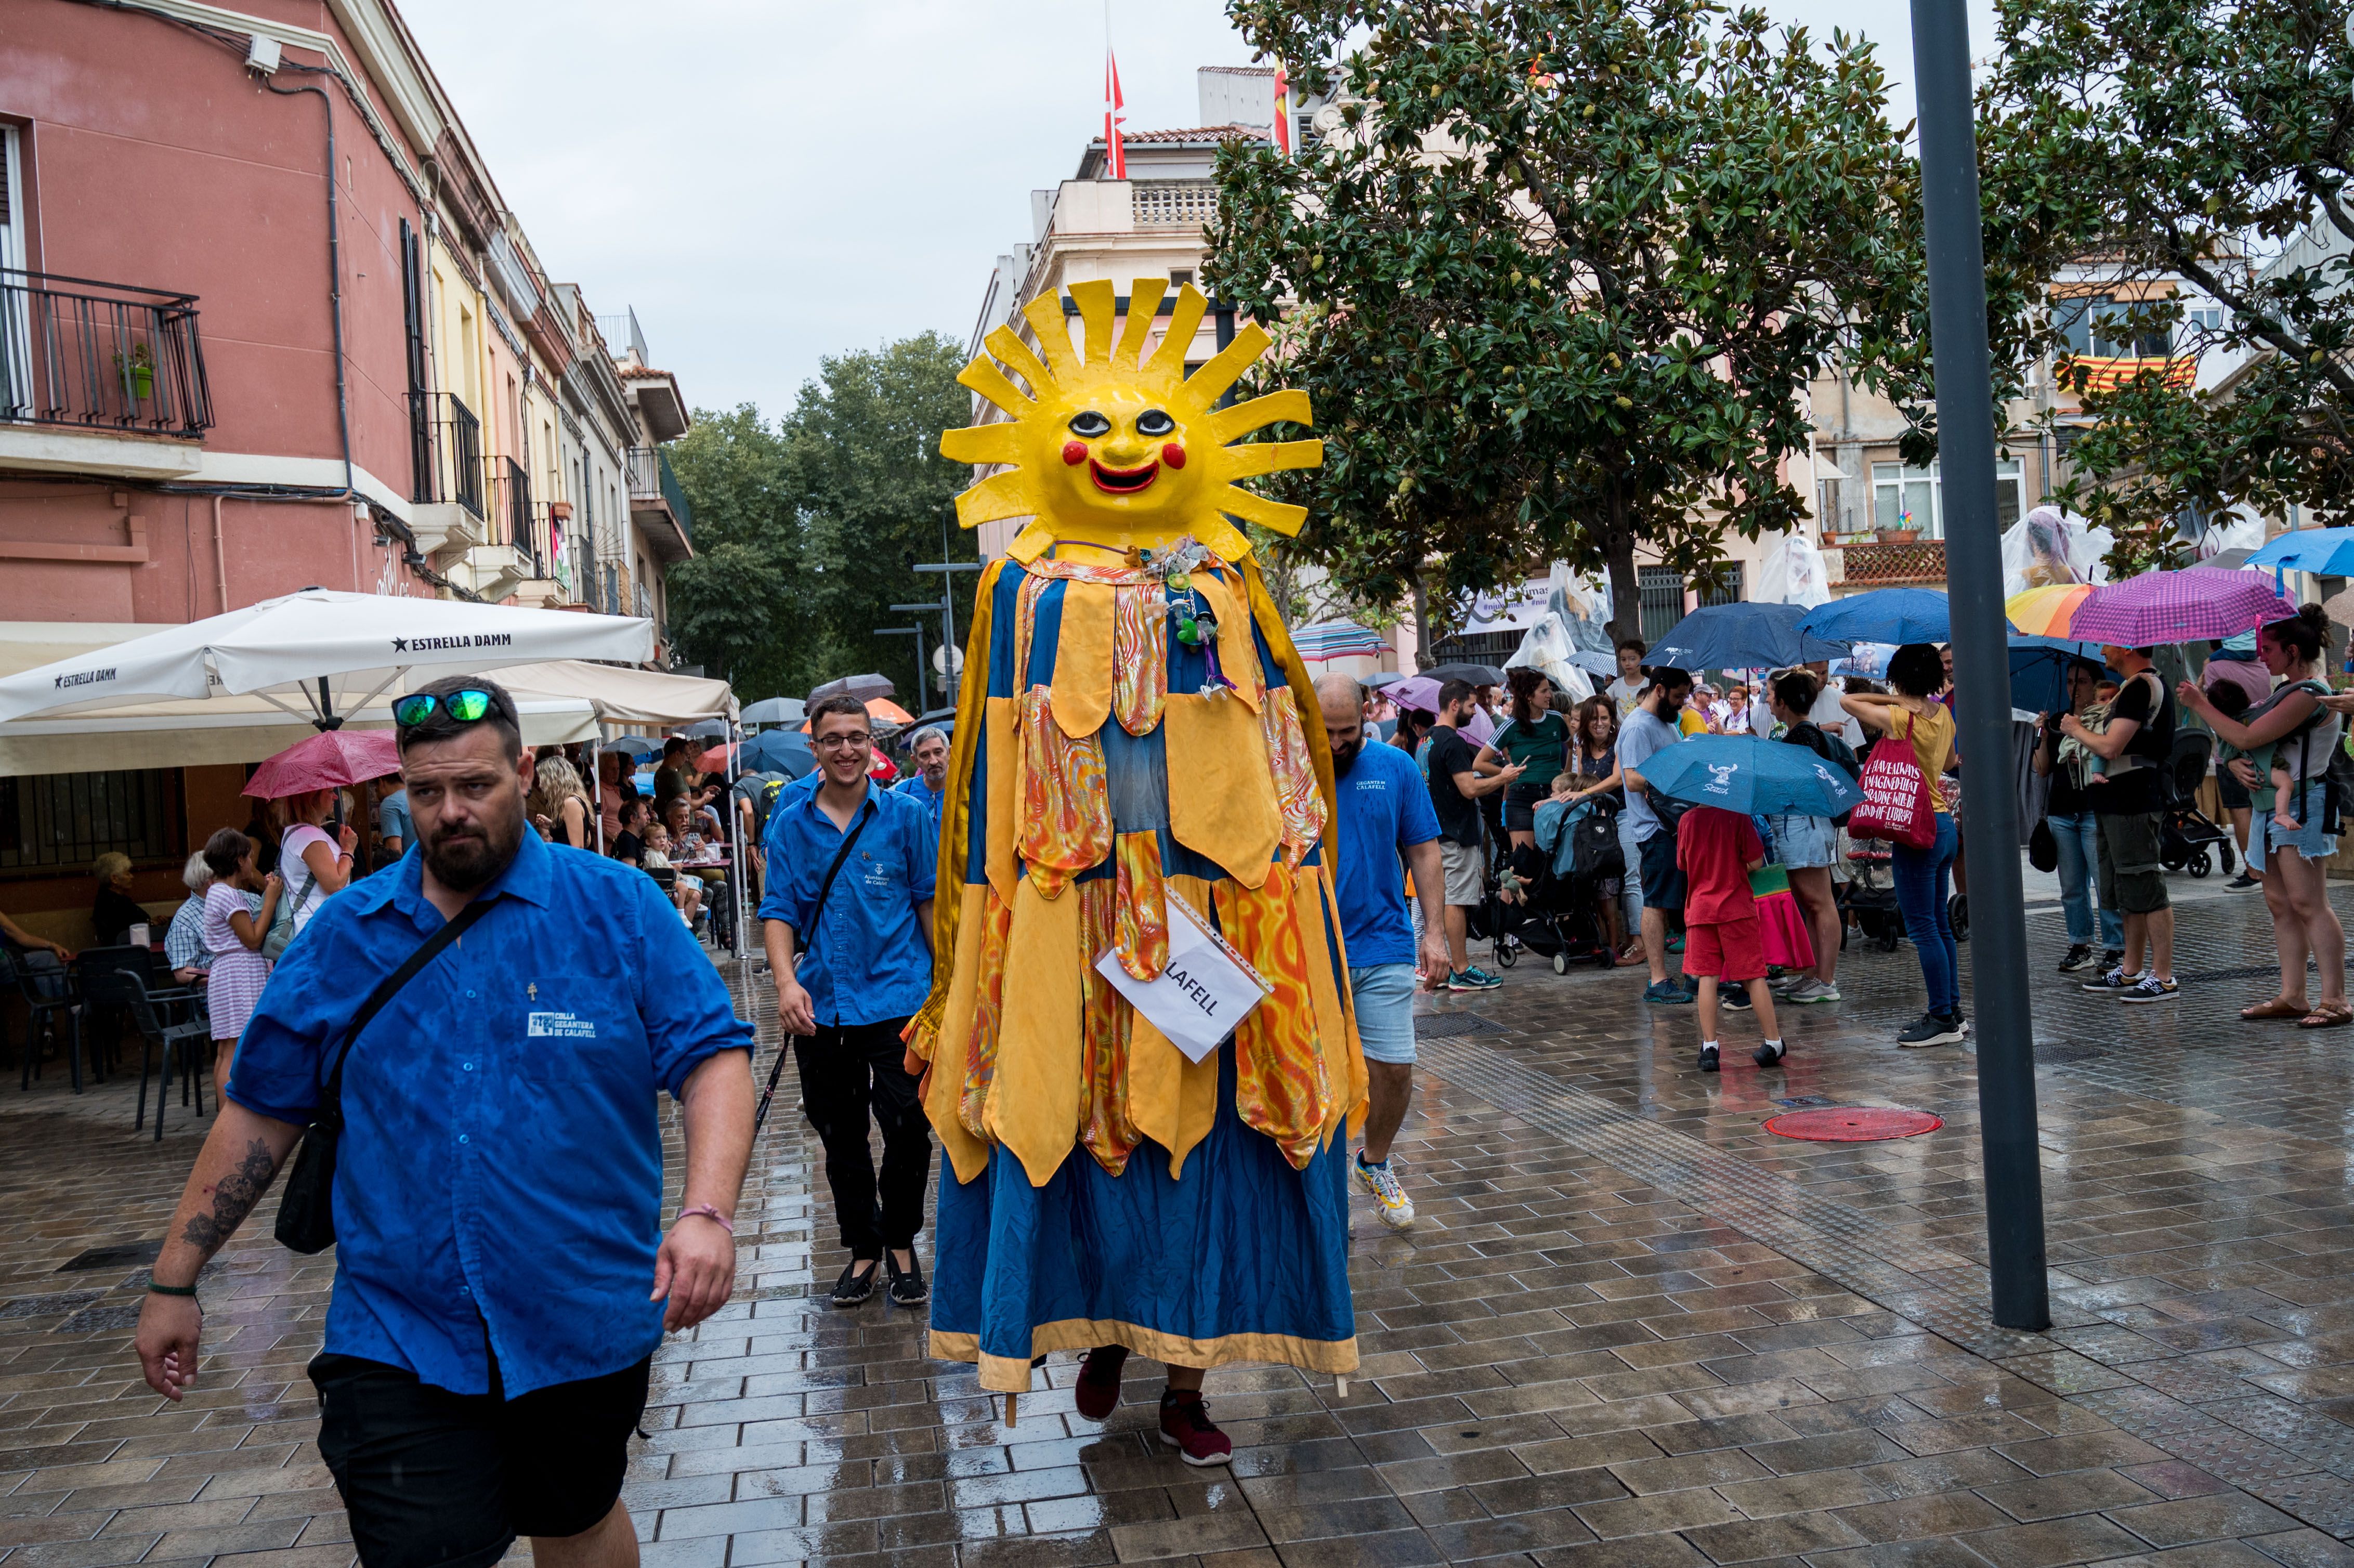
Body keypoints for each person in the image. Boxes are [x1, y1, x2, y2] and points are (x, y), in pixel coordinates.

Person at [136, 675, 753, 1568]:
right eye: (427, 793)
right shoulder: (345, 938)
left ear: (524, 770)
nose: (451, 812)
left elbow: (710, 1057)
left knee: (574, 1517)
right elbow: (260, 1114)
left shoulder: (617, 911)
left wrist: (706, 1212)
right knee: (424, 1546)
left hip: (580, 1313)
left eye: (476, 787)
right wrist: (173, 1279)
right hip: (399, 1328)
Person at [761, 694, 939, 1309]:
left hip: (899, 998)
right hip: (824, 1004)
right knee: (840, 1137)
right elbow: (779, 910)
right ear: (815, 748)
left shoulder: (907, 816)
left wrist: (944, 985)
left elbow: (927, 901)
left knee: (910, 1128)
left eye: (856, 737)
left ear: (873, 746)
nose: (845, 749)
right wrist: (787, 983)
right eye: (832, 738)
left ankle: (900, 1240)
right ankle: (864, 1249)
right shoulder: (790, 822)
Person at [1316, 676, 1452, 1233]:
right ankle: (1319, 1194)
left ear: (1368, 713)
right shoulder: (1290, 770)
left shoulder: (1395, 768)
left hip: (1382, 942)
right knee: (1320, 1079)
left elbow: (1423, 850)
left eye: (1346, 731)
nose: (1335, 743)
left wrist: (1436, 933)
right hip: (1310, 949)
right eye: (1325, 732)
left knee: (1393, 1069)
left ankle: (1373, 1161)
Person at [2180, 605, 2348, 1028]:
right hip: (2271, 806)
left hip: (2300, 803)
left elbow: (2250, 734)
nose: (2262, 655)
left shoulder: (2309, 693)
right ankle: (2293, 993)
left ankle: (2336, 998)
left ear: (2293, 651)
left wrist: (2201, 704)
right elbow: (2249, 742)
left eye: (2270, 648)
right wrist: (2236, 763)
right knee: (2280, 903)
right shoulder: (2286, 691)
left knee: (2309, 902)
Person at [1844, 644, 1968, 1044]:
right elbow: (1950, 763)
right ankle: (1952, 1010)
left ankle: (1942, 1020)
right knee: (1939, 925)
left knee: (1921, 928)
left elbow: (1848, 700)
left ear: (1899, 677)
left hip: (1916, 830)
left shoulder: (1897, 717)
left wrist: (1894, 696)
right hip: (1944, 825)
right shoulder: (1944, 713)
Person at [2058, 641, 2179, 1004]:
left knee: (2145, 882)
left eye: (2108, 644)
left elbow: (2111, 747)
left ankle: (2163, 976)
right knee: (2124, 888)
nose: (2102, 650)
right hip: (2115, 798)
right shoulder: (2130, 689)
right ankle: (2131, 968)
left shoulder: (2142, 687)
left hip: (2134, 798)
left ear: (2127, 648)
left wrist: (2076, 729)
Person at [1677, 805, 1786, 1072]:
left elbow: (1683, 864)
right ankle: (1773, 1042)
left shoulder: (1687, 820)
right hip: (1736, 909)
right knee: (1754, 976)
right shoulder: (1737, 817)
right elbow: (1756, 861)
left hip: (1701, 910)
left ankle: (1710, 1047)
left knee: (1707, 977)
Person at [1428, 678, 1520, 990]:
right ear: (1454, 705)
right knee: (1456, 900)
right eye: (1469, 706)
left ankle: (1442, 965)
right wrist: (1503, 777)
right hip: (1456, 834)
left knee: (1442, 900)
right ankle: (1462, 969)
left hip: (1435, 833)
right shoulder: (1451, 742)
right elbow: (1468, 789)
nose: (1472, 712)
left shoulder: (1425, 740)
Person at [2035, 659, 2124, 974]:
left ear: (2098, 686)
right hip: (2062, 810)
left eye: (2082, 682)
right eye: (2070, 682)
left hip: (2092, 808)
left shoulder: (2108, 719)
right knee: (2072, 886)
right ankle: (2080, 943)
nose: (2074, 688)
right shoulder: (2061, 720)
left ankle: (2116, 947)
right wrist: (2043, 739)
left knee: (2104, 883)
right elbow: (2042, 769)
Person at [1617, 664, 1697, 1005]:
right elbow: (1633, 779)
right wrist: (1671, 774)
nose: (1681, 704)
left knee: (1685, 902)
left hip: (1673, 825)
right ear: (1660, 690)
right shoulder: (1637, 726)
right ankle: (1658, 979)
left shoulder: (1665, 722)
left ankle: (1697, 973)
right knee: (1657, 902)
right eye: (1678, 696)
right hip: (1655, 828)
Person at [1763, 670, 1845, 1004]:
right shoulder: (1799, 734)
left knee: (1819, 902)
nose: (1768, 700)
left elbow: (1796, 785)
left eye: (1772, 696)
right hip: (1798, 827)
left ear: (1784, 702)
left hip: (1804, 827)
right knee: (1811, 903)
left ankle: (1826, 979)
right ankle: (1813, 974)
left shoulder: (1803, 737)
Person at [194, 829, 279, 1089]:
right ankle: (228, 1114)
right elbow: (252, 939)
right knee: (233, 1050)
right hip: (237, 975)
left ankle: (225, 1112)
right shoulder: (227, 895)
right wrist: (271, 900)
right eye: (250, 857)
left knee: (226, 1051)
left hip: (228, 972)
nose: (252, 863)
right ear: (239, 860)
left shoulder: (217, 892)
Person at [1560, 697, 1634, 959]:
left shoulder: (1619, 744)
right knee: (1600, 887)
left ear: (1612, 720)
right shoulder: (1583, 746)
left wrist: (1586, 793)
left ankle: (1633, 940)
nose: (1599, 723)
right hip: (1596, 823)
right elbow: (1579, 781)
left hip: (1621, 815)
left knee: (1626, 882)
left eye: (1604, 718)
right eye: (1594, 719)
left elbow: (1616, 779)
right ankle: (1606, 942)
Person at [1476, 668, 1570, 854]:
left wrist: (1567, 775)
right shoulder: (1511, 725)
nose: (1549, 695)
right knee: (1524, 862)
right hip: (1522, 797)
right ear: (1529, 696)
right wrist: (1506, 774)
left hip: (1555, 795)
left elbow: (1574, 747)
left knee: (1554, 861)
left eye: (1549, 690)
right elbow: (1479, 763)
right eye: (1544, 691)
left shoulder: (1557, 719)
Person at [2206, 637, 2273, 890]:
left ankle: (2253, 872)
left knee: (2241, 809)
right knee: (2262, 809)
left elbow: (2216, 711)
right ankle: (2270, 868)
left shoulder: (2215, 668)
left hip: (2232, 751)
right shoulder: (2261, 664)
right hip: (2262, 746)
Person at [276, 788, 358, 939]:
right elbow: (335, 884)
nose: (335, 797)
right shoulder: (309, 836)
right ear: (312, 798)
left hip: (313, 925)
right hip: (320, 927)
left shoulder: (296, 832)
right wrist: (348, 850)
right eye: (329, 792)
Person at [164, 852, 220, 985]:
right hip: (214, 993)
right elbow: (183, 974)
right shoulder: (185, 918)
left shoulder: (245, 899)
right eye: (224, 875)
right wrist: (225, 979)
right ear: (210, 881)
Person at [640, 822, 703, 929]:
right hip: (660, 885)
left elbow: (664, 864)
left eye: (664, 837)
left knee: (696, 882)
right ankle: (681, 912)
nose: (662, 840)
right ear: (648, 842)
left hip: (665, 881)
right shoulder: (652, 855)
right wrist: (675, 868)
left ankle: (695, 904)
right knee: (683, 887)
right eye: (658, 838)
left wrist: (667, 852)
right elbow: (660, 873)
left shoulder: (658, 852)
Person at [528, 755, 593, 850]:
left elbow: (577, 849)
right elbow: (587, 839)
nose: (541, 785)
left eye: (544, 780)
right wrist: (551, 825)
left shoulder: (570, 804)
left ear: (554, 780)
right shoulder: (576, 800)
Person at [895, 725, 951, 829]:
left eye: (938, 752)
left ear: (949, 753)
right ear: (915, 761)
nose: (934, 761)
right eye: (925, 755)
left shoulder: (966, 787)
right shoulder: (903, 794)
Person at [91, 852, 149, 947]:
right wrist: (149, 923)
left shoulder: (113, 900)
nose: (132, 877)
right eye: (127, 873)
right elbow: (132, 928)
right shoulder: (112, 904)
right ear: (114, 879)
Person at [0, 910, 71, 963]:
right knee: (47, 957)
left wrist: (54, 946)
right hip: (5, 963)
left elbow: (24, 938)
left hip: (12, 964)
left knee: (41, 978)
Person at [1605, 638, 1649, 718]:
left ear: (1642, 659)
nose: (1627, 663)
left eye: (1632, 659)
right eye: (1623, 660)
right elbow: (1603, 704)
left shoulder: (1650, 685)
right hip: (1623, 730)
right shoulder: (1617, 685)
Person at [377, 781, 412, 861]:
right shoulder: (420, 797)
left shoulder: (391, 803)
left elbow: (394, 853)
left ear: (381, 783)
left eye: (376, 789)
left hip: (411, 870)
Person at [610, 798, 650, 868]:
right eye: (645, 814)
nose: (649, 817)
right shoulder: (627, 841)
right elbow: (630, 874)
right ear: (633, 819)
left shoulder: (633, 839)